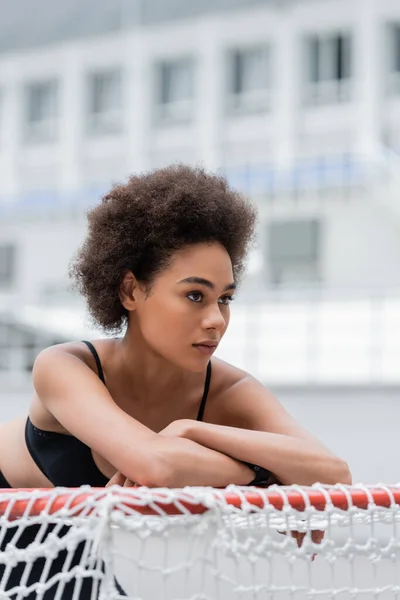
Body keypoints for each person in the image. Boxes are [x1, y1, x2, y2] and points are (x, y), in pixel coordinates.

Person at [0, 165, 351, 597]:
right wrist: (264, 474)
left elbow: (334, 474)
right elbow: (156, 465)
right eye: (194, 295)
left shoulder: (229, 391)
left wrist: (192, 431)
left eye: (225, 299)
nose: (215, 320)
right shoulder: (66, 365)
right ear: (130, 292)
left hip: (69, 550)